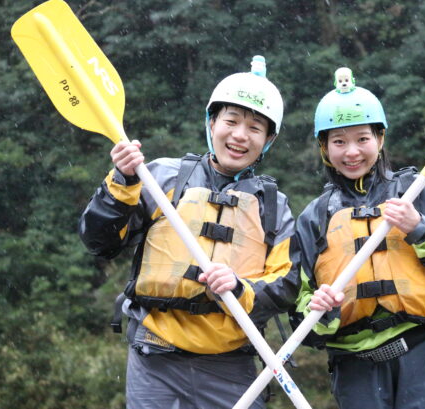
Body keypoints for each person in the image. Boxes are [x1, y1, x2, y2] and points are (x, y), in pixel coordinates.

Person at [79, 56, 301, 409]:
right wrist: (122, 181)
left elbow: (286, 284)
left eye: (255, 128)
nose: (240, 135)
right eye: (231, 121)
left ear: (268, 140)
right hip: (155, 354)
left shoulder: (273, 206)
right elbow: (99, 242)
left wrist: (239, 288)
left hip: (231, 362)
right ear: (212, 122)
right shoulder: (160, 177)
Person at [290, 67, 425, 409]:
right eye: (339, 141)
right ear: (324, 147)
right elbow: (300, 318)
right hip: (355, 366)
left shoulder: (414, 191)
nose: (352, 152)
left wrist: (420, 228)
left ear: (380, 140)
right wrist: (320, 309)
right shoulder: (315, 216)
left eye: (362, 139)